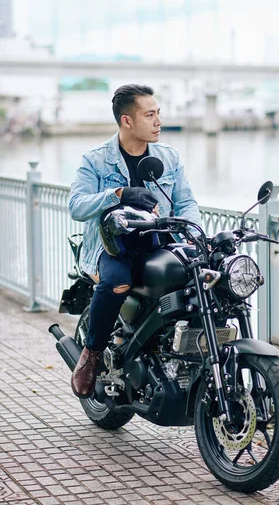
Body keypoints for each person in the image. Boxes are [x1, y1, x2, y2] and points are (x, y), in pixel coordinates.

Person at [68, 84, 202, 398]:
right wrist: (118, 195)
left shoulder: (169, 157)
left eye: (159, 114)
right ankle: (92, 354)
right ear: (127, 121)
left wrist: (194, 233)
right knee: (116, 282)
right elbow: (76, 206)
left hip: (158, 243)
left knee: (198, 280)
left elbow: (186, 203)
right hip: (115, 246)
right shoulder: (96, 160)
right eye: (150, 115)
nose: (158, 122)